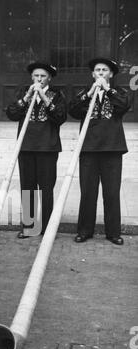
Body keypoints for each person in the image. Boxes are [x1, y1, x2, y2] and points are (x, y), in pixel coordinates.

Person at [69, 58, 131, 246]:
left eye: (105, 70)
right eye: (98, 70)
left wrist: (107, 90)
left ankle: (113, 232)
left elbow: (123, 106)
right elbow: (73, 110)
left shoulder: (119, 92)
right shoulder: (84, 94)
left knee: (111, 192)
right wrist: (90, 93)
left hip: (112, 149)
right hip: (88, 149)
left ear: (110, 74)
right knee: (88, 191)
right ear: (93, 74)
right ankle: (84, 230)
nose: (101, 73)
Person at [6, 62, 67, 238]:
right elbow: (12, 113)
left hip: (47, 147)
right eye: (36, 76)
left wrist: (45, 98)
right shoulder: (23, 93)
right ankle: (29, 226)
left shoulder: (57, 95)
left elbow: (60, 117)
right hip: (26, 147)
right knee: (28, 187)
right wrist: (27, 98)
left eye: (43, 76)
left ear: (49, 78)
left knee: (46, 188)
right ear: (31, 77)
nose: (39, 79)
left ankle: (47, 228)